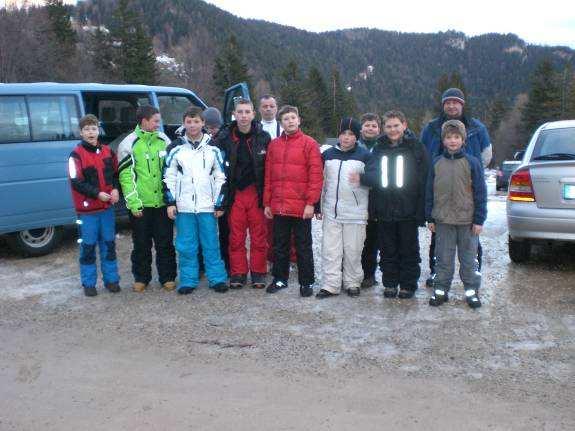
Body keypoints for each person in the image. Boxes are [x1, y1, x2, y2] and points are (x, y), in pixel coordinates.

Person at [420, 88, 492, 286]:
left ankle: (472, 274)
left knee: (471, 238)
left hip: (466, 190)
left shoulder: (477, 127)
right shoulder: (432, 128)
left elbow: (486, 155)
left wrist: (470, 170)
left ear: (462, 104)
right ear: (443, 105)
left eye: (456, 102)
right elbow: (422, 153)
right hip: (440, 189)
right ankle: (437, 273)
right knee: (440, 239)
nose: (452, 106)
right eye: (447, 102)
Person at [356, 110, 429, 299]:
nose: (393, 129)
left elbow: (424, 178)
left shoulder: (416, 147)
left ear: (404, 125)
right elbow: (374, 175)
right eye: (388, 126)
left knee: (409, 249)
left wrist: (422, 209)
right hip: (384, 208)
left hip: (408, 209)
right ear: (384, 128)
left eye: (396, 125)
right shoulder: (379, 148)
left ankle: (408, 284)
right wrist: (363, 180)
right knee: (387, 249)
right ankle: (390, 283)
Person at [163, 107, 228, 294]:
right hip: (184, 208)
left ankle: (216, 278)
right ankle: (188, 280)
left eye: (196, 122)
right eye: (189, 122)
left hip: (207, 206)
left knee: (211, 243)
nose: (192, 125)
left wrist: (219, 203)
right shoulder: (175, 148)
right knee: (186, 245)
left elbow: (221, 177)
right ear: (184, 123)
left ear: (203, 124)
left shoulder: (213, 149)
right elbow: (168, 177)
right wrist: (170, 202)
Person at [426, 120, 487, 308]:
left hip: (467, 221)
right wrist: (429, 216)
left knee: (469, 259)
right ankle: (441, 290)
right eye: (449, 137)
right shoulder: (436, 162)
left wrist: (479, 219)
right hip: (443, 220)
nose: (453, 141)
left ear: (463, 140)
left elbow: (480, 192)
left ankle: (471, 291)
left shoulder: (472, 163)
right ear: (443, 140)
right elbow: (429, 191)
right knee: (443, 258)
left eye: (456, 137)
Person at [264, 105, 323, 297]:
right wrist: (267, 203)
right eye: (286, 119)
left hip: (301, 207)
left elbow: (316, 176)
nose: (290, 121)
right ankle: (280, 279)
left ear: (299, 120)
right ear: (281, 123)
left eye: (292, 118)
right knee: (280, 245)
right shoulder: (274, 145)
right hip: (279, 206)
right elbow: (268, 177)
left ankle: (306, 282)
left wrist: (310, 203)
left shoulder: (309, 144)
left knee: (303, 246)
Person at [117, 105, 177, 293]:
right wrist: (133, 203)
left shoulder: (163, 140)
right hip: (140, 205)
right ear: (144, 121)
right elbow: (126, 177)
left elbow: (171, 170)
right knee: (141, 243)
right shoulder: (128, 144)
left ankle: (167, 276)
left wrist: (170, 200)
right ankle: (141, 277)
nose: (158, 124)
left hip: (161, 203)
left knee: (165, 242)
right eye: (155, 121)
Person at [214, 98, 270, 289]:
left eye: (247, 112)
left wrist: (268, 197)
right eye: (240, 112)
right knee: (236, 236)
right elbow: (216, 169)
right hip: (235, 192)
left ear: (253, 114)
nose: (244, 116)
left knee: (258, 235)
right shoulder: (224, 138)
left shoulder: (263, 137)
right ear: (234, 114)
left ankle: (258, 272)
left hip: (256, 192)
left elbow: (270, 169)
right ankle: (238, 273)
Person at [315, 118, 371, 299]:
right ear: (338, 135)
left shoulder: (365, 155)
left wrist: (363, 179)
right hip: (332, 211)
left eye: (351, 134)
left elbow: (377, 178)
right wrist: (318, 205)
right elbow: (319, 181)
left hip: (355, 212)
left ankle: (352, 282)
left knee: (353, 250)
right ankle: (330, 285)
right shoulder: (328, 155)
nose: (346, 138)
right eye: (343, 134)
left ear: (357, 137)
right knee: (331, 250)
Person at [68, 114, 121, 297]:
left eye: (94, 128)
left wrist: (115, 189)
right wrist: (97, 193)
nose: (91, 132)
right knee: (88, 247)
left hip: (106, 210)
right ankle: (89, 283)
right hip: (87, 212)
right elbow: (76, 182)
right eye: (87, 129)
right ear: (81, 132)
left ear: (99, 131)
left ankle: (112, 280)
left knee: (109, 245)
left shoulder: (108, 151)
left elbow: (116, 174)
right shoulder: (76, 155)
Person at [357, 113, 382, 289]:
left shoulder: (382, 147)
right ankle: (351, 272)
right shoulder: (354, 145)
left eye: (373, 126)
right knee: (355, 238)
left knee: (372, 239)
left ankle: (369, 274)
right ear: (361, 128)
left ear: (378, 129)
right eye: (367, 125)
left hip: (376, 197)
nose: (370, 128)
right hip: (356, 197)